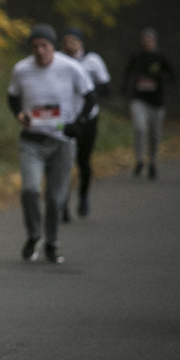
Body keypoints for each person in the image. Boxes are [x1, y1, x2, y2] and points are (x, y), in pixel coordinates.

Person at [7, 23, 95, 264]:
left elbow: (90, 97)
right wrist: (19, 115)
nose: (39, 50)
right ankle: (34, 235)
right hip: (31, 140)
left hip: (61, 140)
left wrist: (78, 123)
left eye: (44, 45)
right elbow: (13, 97)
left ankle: (52, 243)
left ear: (52, 46)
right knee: (30, 190)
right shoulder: (22, 69)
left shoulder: (70, 68)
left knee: (56, 198)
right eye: (34, 46)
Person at [60, 28, 111, 218]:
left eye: (73, 40)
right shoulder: (58, 61)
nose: (69, 44)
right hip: (65, 120)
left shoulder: (92, 61)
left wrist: (86, 85)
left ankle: (83, 197)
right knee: (64, 162)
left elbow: (106, 88)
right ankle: (63, 205)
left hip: (88, 118)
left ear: (81, 42)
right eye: (66, 40)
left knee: (83, 161)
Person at [122, 28, 175, 179]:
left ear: (154, 41)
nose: (147, 42)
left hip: (156, 102)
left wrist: (160, 77)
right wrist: (124, 88)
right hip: (139, 99)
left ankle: (153, 162)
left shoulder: (160, 58)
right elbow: (128, 72)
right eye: (145, 40)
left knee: (155, 134)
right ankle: (139, 160)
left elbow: (172, 76)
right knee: (140, 129)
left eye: (150, 40)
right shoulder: (137, 57)